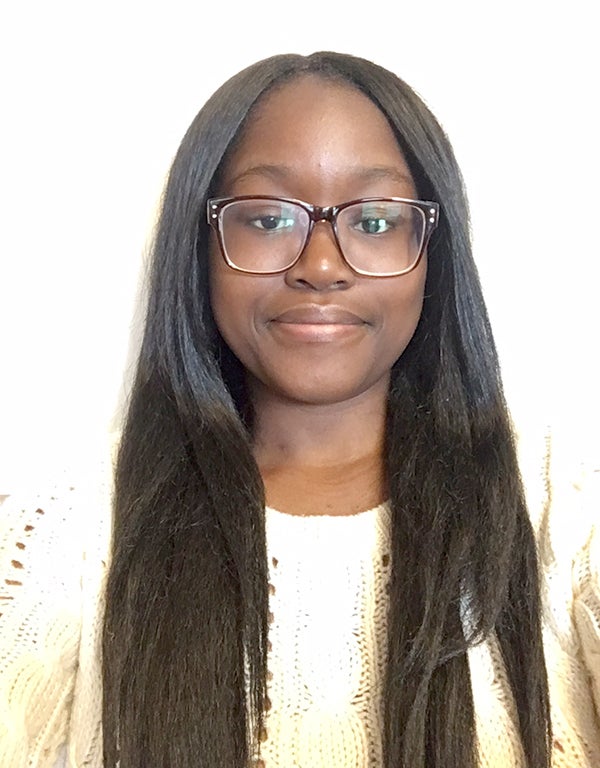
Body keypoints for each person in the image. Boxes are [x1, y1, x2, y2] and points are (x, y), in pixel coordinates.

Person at [0, 51, 598, 768]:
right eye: (267, 218)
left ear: (432, 250)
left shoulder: (563, 510)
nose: (319, 264)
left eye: (375, 222)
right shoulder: (64, 531)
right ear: (202, 247)